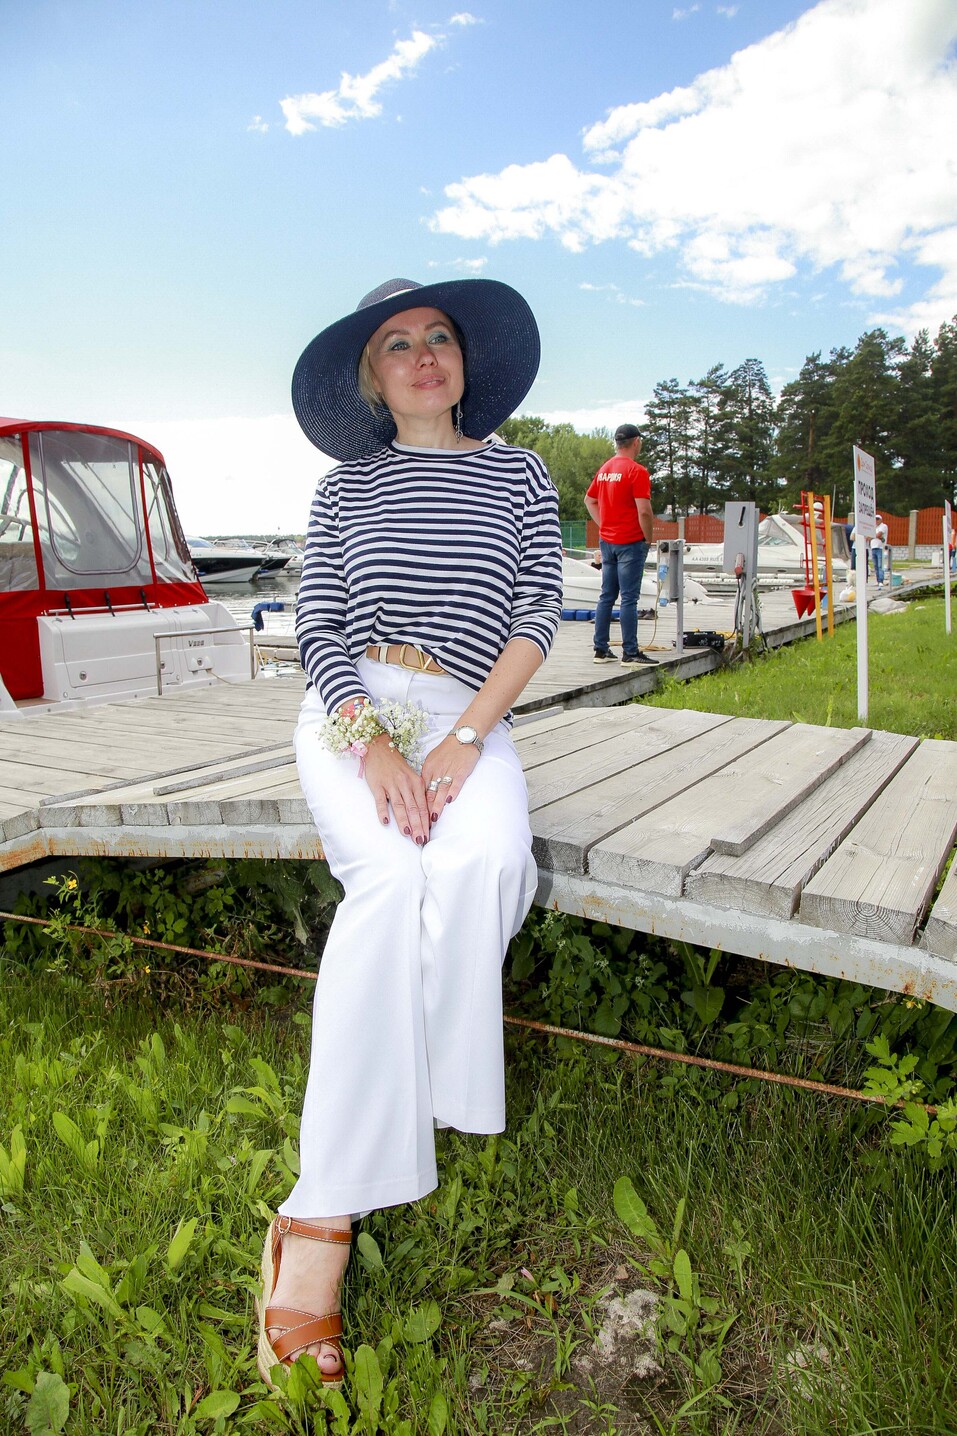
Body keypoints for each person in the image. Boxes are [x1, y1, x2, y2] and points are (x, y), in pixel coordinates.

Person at [255, 277, 563, 1389]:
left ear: (464, 361)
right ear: (372, 377)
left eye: (439, 337)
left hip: (472, 716)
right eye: (399, 343)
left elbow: (535, 610)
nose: (424, 354)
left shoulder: (521, 473)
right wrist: (371, 744)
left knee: (484, 862)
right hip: (355, 707)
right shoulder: (346, 487)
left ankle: (406, 1078)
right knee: (389, 881)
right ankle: (320, 1216)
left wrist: (465, 739)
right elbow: (318, 623)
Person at [584, 423, 656, 665]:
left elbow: (589, 500)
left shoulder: (605, 469)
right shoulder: (637, 471)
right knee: (628, 598)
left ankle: (601, 649)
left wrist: (604, 524)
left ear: (617, 443)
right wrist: (648, 537)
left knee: (606, 596)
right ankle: (630, 652)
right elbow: (644, 511)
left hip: (608, 540)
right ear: (636, 442)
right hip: (630, 541)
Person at [871, 514, 889, 585]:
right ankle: (878, 580)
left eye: (878, 519)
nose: (876, 521)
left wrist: (871, 536)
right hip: (873, 547)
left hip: (880, 547)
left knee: (880, 565)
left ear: (881, 520)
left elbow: (879, 534)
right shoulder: (874, 527)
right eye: (875, 519)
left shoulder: (883, 526)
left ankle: (881, 580)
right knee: (875, 565)